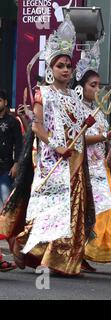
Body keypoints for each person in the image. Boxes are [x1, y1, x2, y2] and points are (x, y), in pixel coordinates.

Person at [7, 15, 96, 276]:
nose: (66, 70)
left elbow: (78, 130)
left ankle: (60, 260)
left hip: (74, 159)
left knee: (71, 211)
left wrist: (87, 122)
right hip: (50, 161)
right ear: (51, 70)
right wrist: (57, 147)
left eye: (69, 65)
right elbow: (37, 126)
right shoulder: (41, 93)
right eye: (60, 66)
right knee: (49, 211)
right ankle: (25, 245)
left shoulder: (74, 97)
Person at [73, 40, 111, 271]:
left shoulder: (100, 113)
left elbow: (109, 137)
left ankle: (86, 253)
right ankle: (78, 254)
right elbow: (77, 140)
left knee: (104, 211)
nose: (97, 90)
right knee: (87, 212)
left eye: (99, 85)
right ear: (82, 87)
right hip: (82, 169)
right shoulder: (75, 109)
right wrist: (107, 135)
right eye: (93, 85)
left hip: (100, 170)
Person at [0, 89, 21, 272]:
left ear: (5, 102)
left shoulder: (12, 122)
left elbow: (19, 145)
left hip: (5, 171)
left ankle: (16, 252)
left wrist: (16, 164)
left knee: (7, 211)